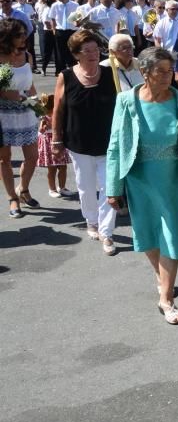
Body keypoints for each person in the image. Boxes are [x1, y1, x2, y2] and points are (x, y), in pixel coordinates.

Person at [106, 47, 178, 323]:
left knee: (172, 235)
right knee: (147, 233)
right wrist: (113, 186)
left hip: (173, 177)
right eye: (161, 71)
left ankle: (166, 298)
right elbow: (116, 146)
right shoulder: (126, 101)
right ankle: (164, 278)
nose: (168, 77)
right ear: (145, 72)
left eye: (170, 71)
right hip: (139, 177)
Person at [51, 30, 118, 252]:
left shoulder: (111, 73)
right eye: (87, 50)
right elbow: (58, 110)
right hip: (78, 143)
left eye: (96, 49)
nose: (93, 54)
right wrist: (56, 139)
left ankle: (106, 233)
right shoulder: (66, 76)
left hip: (108, 143)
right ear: (76, 54)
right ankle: (91, 220)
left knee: (110, 188)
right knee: (86, 187)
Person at [0, 19, 40, 218]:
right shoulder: (0, 58)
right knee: (3, 159)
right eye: (19, 34)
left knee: (33, 157)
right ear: (8, 37)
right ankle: (12, 199)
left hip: (25, 111)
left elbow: (30, 85)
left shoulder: (27, 56)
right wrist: (6, 93)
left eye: (25, 33)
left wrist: (40, 107)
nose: (24, 37)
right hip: (2, 114)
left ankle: (22, 189)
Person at [37, 93, 70, 198]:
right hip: (49, 143)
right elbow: (40, 130)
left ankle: (62, 187)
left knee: (63, 167)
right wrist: (44, 127)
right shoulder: (45, 117)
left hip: (60, 141)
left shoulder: (60, 114)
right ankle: (52, 189)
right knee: (52, 168)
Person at [49, 0, 79, 72]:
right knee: (59, 53)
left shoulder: (75, 5)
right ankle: (60, 71)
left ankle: (74, 70)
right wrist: (54, 30)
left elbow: (77, 18)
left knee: (72, 51)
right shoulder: (55, 5)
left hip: (71, 31)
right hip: (60, 31)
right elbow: (53, 18)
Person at [36, 0, 56, 76]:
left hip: (55, 31)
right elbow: (46, 23)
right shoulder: (46, 9)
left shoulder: (54, 8)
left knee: (57, 52)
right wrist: (54, 27)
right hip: (48, 32)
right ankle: (44, 68)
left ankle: (57, 70)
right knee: (47, 52)